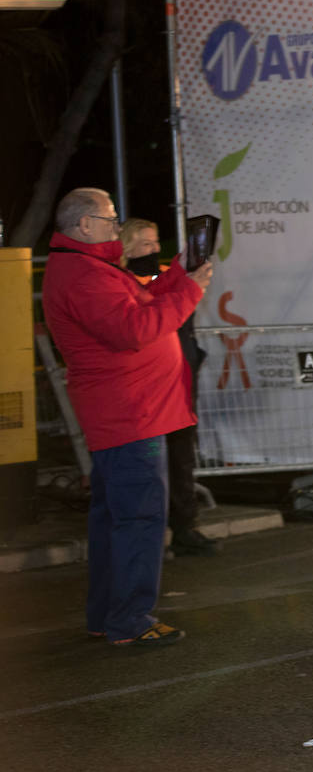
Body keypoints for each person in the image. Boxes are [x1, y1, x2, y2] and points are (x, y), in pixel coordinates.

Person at [42, 188, 212, 647]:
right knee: (138, 519)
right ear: (84, 226)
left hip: (128, 412)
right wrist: (191, 290)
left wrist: (179, 274)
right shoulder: (83, 275)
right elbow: (135, 329)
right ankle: (130, 620)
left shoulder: (86, 268)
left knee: (116, 519)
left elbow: (141, 301)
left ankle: (109, 615)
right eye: (111, 219)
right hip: (130, 415)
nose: (118, 227)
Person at [120, 219, 220, 557]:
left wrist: (188, 267)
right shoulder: (123, 285)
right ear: (127, 247)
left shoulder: (162, 276)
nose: (153, 249)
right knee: (149, 461)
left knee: (180, 455)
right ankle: (149, 531)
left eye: (155, 242)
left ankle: (184, 525)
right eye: (145, 243)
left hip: (179, 379)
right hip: (148, 386)